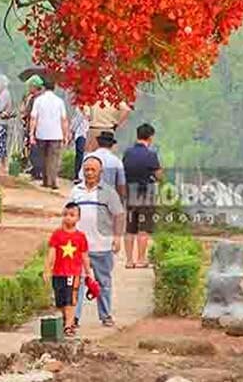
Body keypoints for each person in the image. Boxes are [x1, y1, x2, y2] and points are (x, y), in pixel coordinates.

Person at [71, 155, 125, 328]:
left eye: (93, 169)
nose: (89, 173)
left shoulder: (109, 193)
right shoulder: (76, 192)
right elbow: (68, 216)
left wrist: (117, 238)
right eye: (86, 169)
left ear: (100, 172)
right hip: (79, 248)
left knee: (103, 283)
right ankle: (74, 318)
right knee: (76, 284)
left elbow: (118, 215)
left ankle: (106, 315)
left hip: (102, 246)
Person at [44, 202, 95, 338]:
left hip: (73, 273)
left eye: (72, 215)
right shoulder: (57, 235)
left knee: (70, 299)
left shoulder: (81, 237)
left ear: (78, 218)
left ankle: (68, 326)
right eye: (65, 214)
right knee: (60, 301)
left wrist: (89, 273)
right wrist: (47, 270)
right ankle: (66, 322)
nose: (68, 217)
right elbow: (51, 253)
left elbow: (85, 256)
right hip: (58, 273)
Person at [122, 123, 162, 269]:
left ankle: (128, 261)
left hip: (130, 194)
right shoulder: (151, 155)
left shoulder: (128, 153)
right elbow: (159, 176)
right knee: (143, 229)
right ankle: (140, 259)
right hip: (146, 195)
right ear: (150, 137)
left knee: (130, 228)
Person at [29, 76, 69, 190]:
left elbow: (33, 118)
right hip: (56, 133)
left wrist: (32, 133)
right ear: (54, 88)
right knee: (54, 158)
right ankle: (53, 180)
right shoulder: (59, 101)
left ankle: (46, 180)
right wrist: (66, 134)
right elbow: (64, 119)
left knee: (44, 157)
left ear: (44, 87)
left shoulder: (38, 100)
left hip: (41, 133)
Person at [78, 131, 127, 201]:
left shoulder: (88, 157)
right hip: (108, 198)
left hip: (89, 197)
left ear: (98, 143)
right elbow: (121, 185)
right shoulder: (117, 161)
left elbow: (81, 178)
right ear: (112, 145)